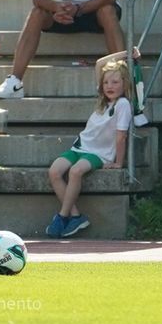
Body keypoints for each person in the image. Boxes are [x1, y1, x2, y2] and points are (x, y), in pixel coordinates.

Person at [46, 58, 133, 238]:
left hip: (99, 154)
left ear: (125, 84)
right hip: (80, 147)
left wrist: (118, 162)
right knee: (54, 171)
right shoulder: (103, 100)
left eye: (115, 82)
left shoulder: (123, 104)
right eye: (106, 82)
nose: (110, 86)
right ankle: (75, 216)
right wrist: (127, 52)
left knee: (76, 171)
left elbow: (121, 136)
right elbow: (100, 63)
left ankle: (62, 216)